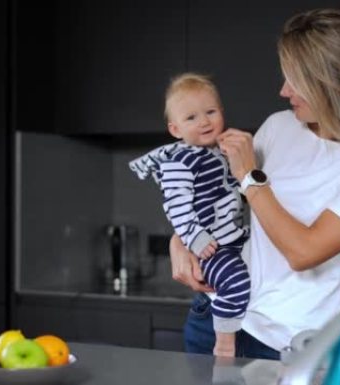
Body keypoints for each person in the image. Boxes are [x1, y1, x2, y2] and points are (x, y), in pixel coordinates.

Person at [170, 8, 340, 359]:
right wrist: (180, 241)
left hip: (284, 346)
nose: (283, 90)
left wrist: (249, 177)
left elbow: (303, 252)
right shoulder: (279, 126)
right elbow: (215, 197)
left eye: (294, 80)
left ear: (332, 82)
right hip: (214, 317)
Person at [129, 73, 251, 357]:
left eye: (211, 112)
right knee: (235, 282)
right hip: (209, 246)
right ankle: (224, 341)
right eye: (191, 118)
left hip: (233, 240)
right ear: (175, 129)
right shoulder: (179, 161)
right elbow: (175, 205)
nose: (204, 122)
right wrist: (194, 238)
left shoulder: (224, 152)